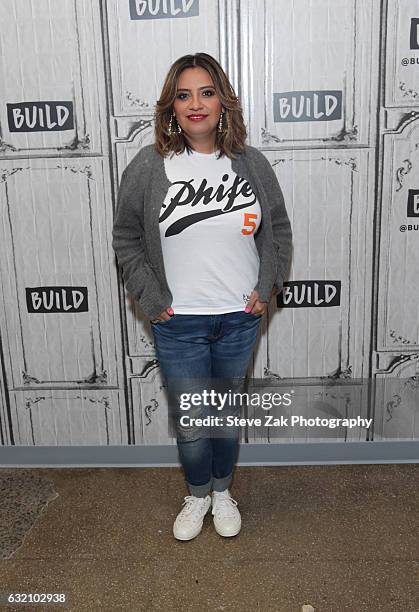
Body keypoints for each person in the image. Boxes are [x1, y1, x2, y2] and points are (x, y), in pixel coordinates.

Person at [112, 52, 292, 541]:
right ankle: (197, 495)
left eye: (206, 92)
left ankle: (221, 491)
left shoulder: (250, 164)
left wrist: (266, 287)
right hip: (178, 322)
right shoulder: (148, 167)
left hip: (238, 317)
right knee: (193, 423)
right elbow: (126, 238)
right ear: (171, 105)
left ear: (222, 103)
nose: (196, 104)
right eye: (184, 94)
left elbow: (276, 231)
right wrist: (152, 298)